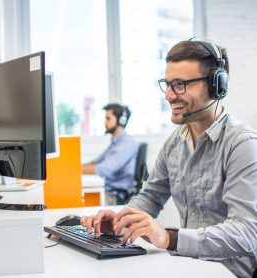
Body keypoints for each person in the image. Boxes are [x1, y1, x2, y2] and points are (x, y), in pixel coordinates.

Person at [80, 39, 257, 277]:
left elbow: (247, 232)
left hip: (227, 271)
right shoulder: (176, 142)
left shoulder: (242, 145)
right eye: (168, 84)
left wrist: (169, 237)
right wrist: (120, 221)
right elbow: (150, 197)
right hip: (186, 265)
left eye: (180, 84)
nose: (169, 95)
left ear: (217, 85)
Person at [82, 103, 139, 205]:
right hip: (108, 192)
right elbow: (96, 162)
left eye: (108, 118)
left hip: (115, 196)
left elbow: (105, 169)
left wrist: (76, 171)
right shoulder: (115, 143)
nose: (105, 122)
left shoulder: (127, 143)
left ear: (121, 121)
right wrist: (73, 169)